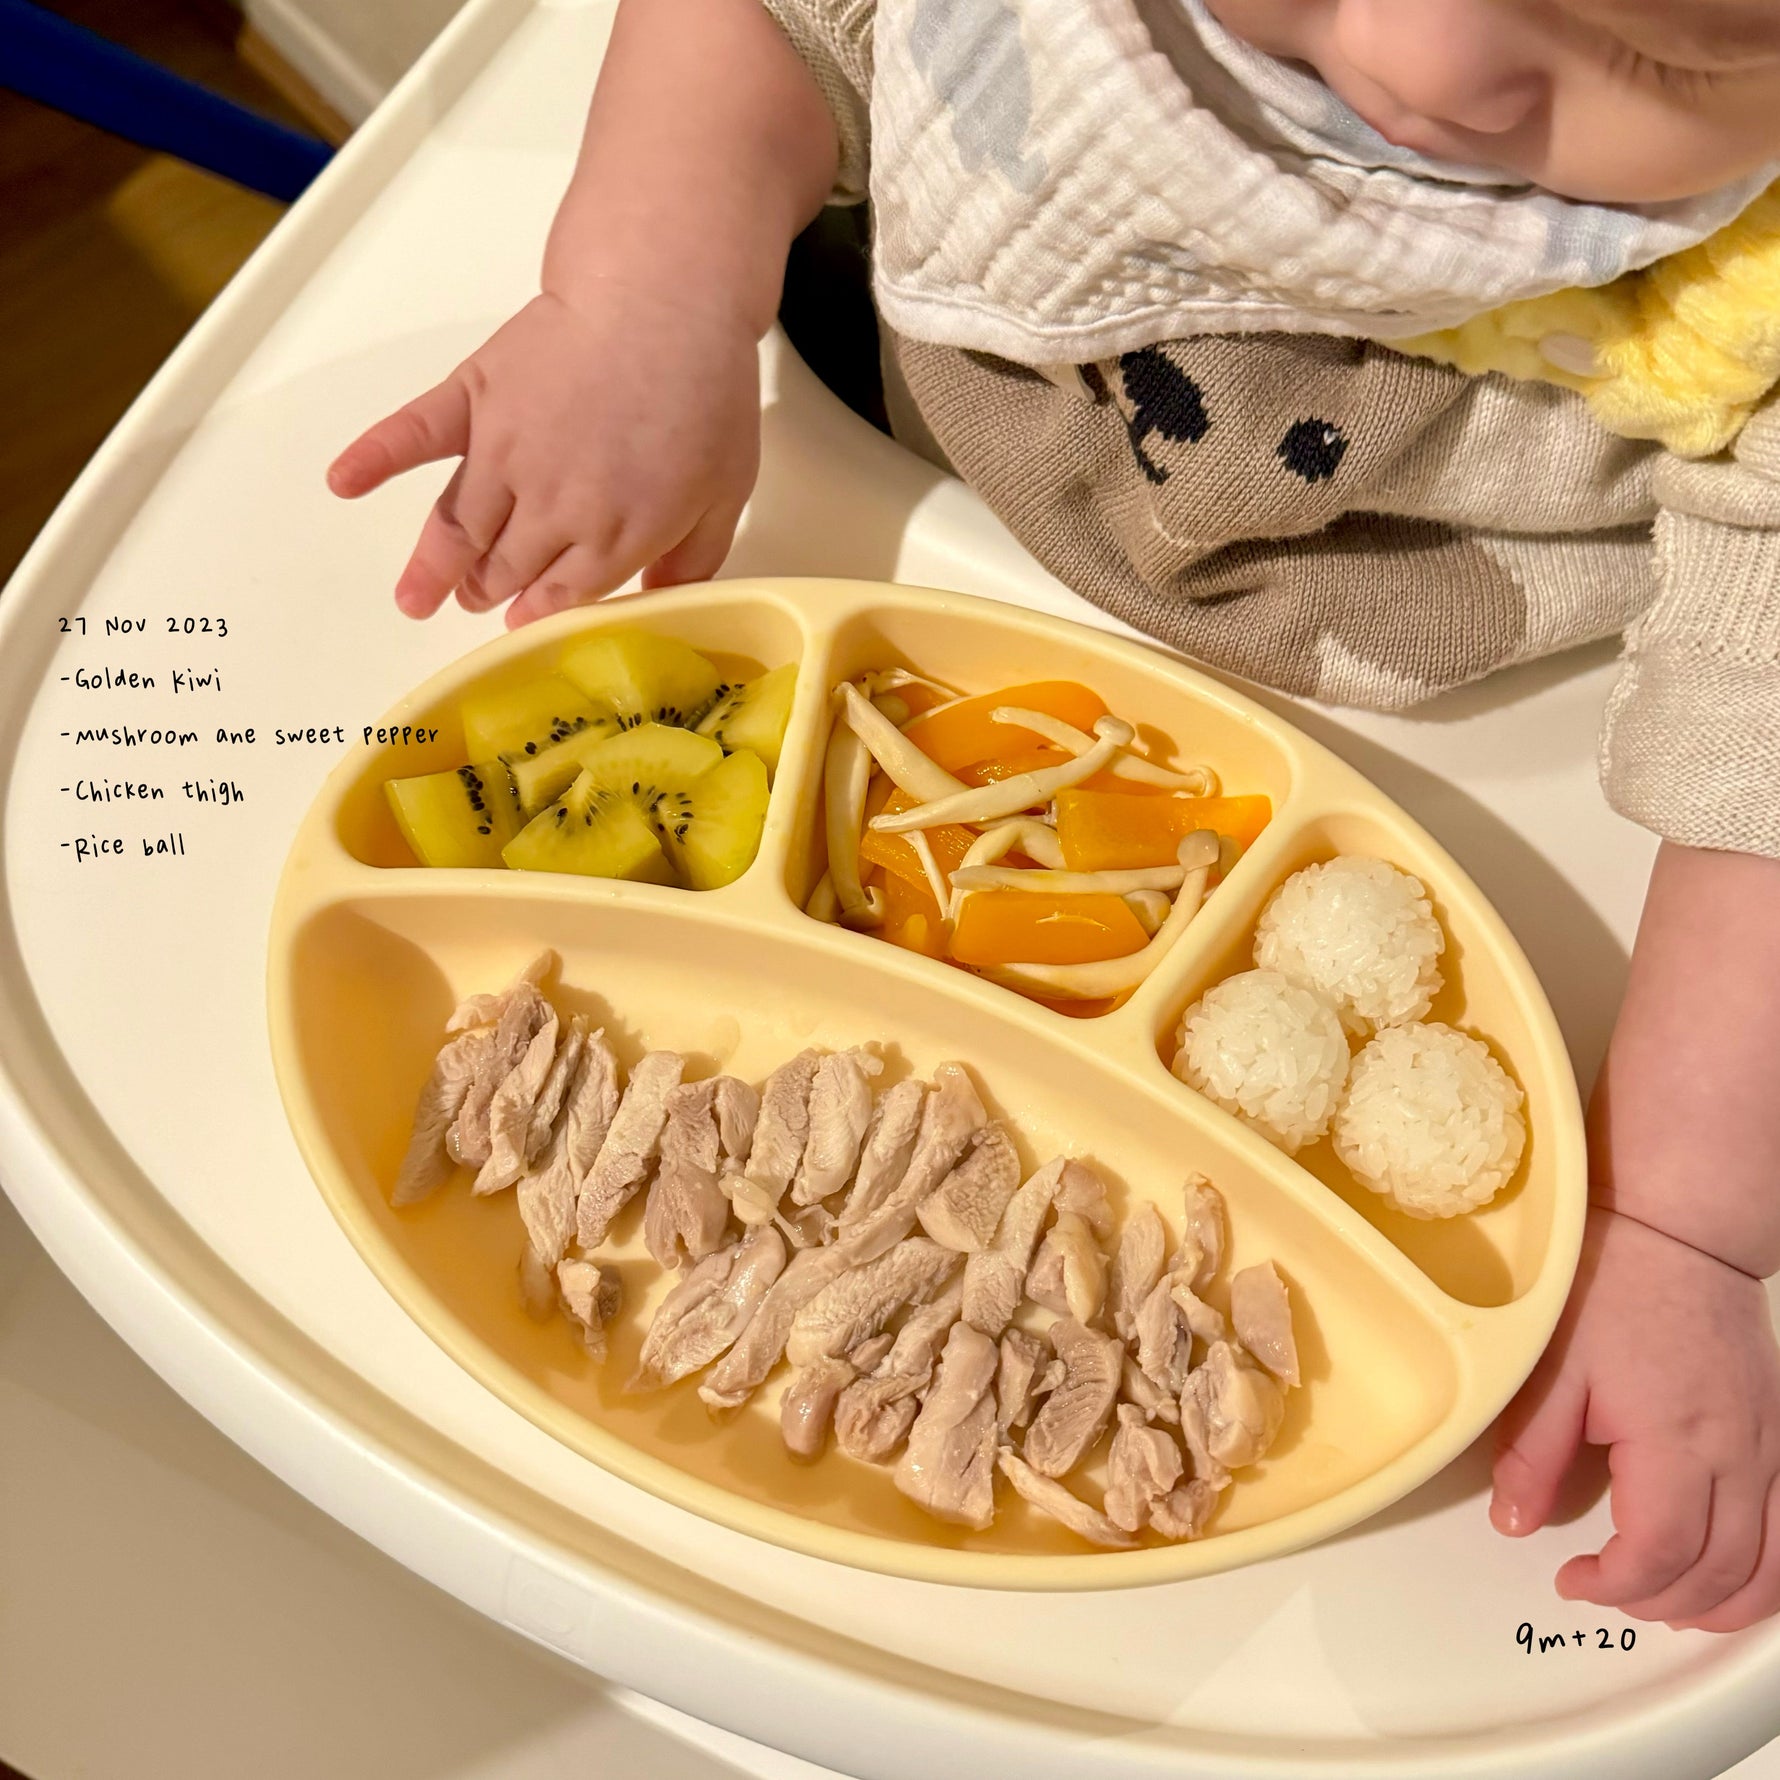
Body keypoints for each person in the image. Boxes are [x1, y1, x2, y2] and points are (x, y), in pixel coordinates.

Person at [326, 0, 1780, 1629]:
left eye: (1670, 53)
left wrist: (1684, 1224)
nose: (1425, 63)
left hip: (1474, 727)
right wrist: (640, 306)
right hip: (917, 506)